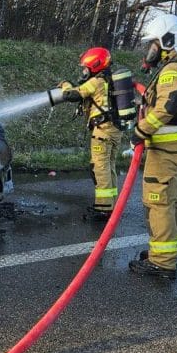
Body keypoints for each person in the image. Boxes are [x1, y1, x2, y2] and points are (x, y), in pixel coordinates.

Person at [127, 12, 177, 280]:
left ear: (168, 41)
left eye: (154, 44)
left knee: (158, 203)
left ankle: (162, 263)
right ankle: (167, 253)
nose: (151, 50)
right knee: (172, 202)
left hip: (168, 151)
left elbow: (167, 108)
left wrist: (140, 131)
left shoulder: (174, 69)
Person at [52, 46, 124, 222]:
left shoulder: (96, 82)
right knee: (109, 167)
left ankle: (103, 208)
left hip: (102, 131)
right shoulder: (109, 80)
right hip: (114, 130)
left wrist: (65, 84)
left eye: (86, 68)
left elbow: (71, 94)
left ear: (96, 65)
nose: (84, 71)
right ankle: (111, 204)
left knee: (100, 169)